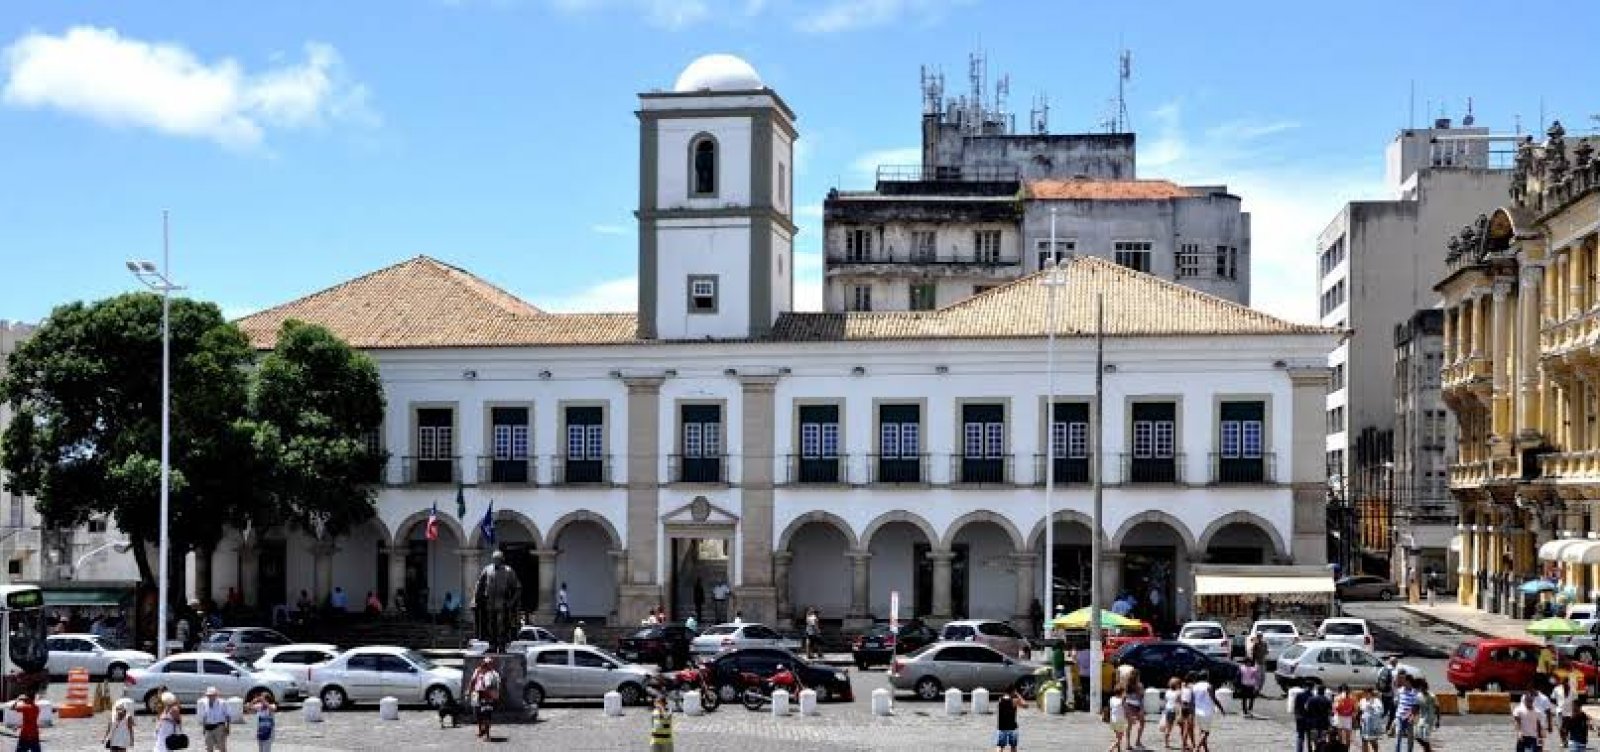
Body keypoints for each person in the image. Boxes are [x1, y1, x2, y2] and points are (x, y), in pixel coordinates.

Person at [1191, 672, 1224, 752]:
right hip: (1207, 711)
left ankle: (1206, 749)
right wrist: (1221, 708)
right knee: (1206, 732)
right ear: (1207, 677)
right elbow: (1214, 698)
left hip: (1197, 711)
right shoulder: (1208, 686)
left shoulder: (1194, 686)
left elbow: (1192, 700)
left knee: (1202, 730)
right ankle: (1197, 748)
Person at [470, 659, 502, 740]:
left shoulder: (494, 674)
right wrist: (469, 690)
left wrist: (495, 695)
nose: (487, 665)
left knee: (487, 714)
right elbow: (473, 681)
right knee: (477, 713)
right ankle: (481, 730)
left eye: (489, 663)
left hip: (488, 696)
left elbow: (497, 685)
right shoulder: (477, 670)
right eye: (486, 663)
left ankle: (487, 734)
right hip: (477, 693)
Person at [198, 686, 231, 752]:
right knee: (208, 747)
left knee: (221, 747)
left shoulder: (222, 703)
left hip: (219, 726)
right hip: (208, 727)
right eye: (208, 695)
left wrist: (227, 727)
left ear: (216, 695)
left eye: (212, 695)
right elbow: (204, 716)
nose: (210, 697)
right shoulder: (204, 702)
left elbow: (228, 715)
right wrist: (204, 728)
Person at [994, 687, 1024, 752]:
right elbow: (1026, 705)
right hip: (1012, 727)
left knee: (1000, 747)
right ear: (1013, 692)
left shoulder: (1000, 700)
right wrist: (1019, 696)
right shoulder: (1014, 701)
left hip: (1001, 727)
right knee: (1013, 747)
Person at [1412, 677, 1438, 752]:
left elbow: (1437, 708)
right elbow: (1416, 707)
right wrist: (1412, 716)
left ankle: (1427, 749)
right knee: (1416, 735)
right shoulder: (1418, 696)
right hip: (1422, 718)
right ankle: (1428, 749)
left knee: (1425, 737)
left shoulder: (1432, 696)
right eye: (1422, 688)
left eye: (1425, 688)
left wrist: (1438, 720)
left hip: (1430, 719)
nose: (1423, 690)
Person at [1125, 675, 1146, 750]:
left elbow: (1125, 696)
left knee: (1129, 725)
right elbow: (1141, 697)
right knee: (1142, 723)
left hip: (1129, 706)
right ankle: (1137, 741)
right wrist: (1142, 709)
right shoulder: (1139, 685)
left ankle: (1128, 743)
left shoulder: (1127, 685)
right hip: (1137, 706)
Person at [1160, 677, 1181, 750]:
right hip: (1173, 711)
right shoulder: (1178, 693)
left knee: (1168, 727)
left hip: (1167, 709)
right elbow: (1178, 703)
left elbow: (1166, 701)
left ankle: (1166, 743)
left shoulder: (1168, 691)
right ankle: (1166, 743)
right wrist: (1178, 714)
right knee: (1169, 728)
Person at [1106, 686, 1128, 752]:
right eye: (1124, 691)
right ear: (1121, 692)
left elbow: (1111, 708)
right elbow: (1126, 710)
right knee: (1120, 737)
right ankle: (1111, 748)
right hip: (1120, 720)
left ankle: (1119, 749)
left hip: (1113, 720)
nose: (1125, 693)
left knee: (1117, 736)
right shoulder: (1122, 701)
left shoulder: (1112, 699)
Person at [1377, 656, 1398, 722]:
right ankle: (1388, 727)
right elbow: (1394, 685)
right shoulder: (1394, 672)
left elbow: (1378, 680)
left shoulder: (1382, 669)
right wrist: (1396, 695)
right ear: (1395, 663)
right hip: (1391, 695)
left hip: (1383, 693)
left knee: (1384, 710)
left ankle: (1381, 722)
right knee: (1392, 712)